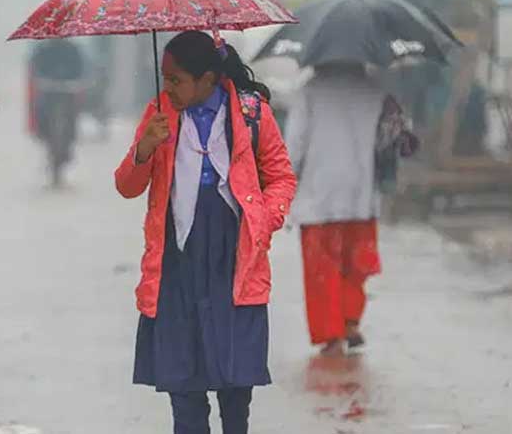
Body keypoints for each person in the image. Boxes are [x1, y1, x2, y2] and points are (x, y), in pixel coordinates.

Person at [115, 31, 296, 434]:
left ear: (207, 79)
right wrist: (144, 148)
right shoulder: (159, 114)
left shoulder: (251, 113)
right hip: (178, 264)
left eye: (176, 80)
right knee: (184, 386)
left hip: (235, 261)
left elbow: (281, 177)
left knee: (236, 387)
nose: (168, 87)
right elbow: (127, 186)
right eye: (165, 79)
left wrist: (263, 221)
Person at [285, 61, 418, 357]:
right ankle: (350, 322)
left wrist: (283, 184)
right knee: (355, 263)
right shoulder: (375, 88)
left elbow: (295, 142)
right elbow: (392, 136)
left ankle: (331, 334)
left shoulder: (310, 90)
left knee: (321, 267)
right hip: (361, 192)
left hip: (319, 193)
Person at [28, 39, 86, 187]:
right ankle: (45, 137)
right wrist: (41, 79)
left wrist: (76, 81)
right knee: (42, 116)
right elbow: (36, 68)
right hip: (49, 92)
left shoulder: (73, 50)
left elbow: (81, 70)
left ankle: (69, 143)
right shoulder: (43, 49)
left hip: (68, 92)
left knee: (71, 119)